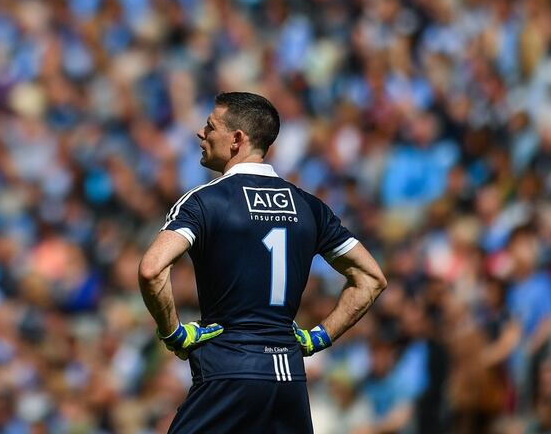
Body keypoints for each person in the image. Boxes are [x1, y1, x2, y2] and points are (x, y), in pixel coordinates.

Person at [138, 92, 388, 433]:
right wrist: (318, 338)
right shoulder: (308, 206)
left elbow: (152, 269)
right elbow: (371, 278)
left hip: (228, 370)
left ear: (237, 139)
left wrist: (173, 333)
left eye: (210, 126)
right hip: (288, 377)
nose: (201, 133)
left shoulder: (205, 201)